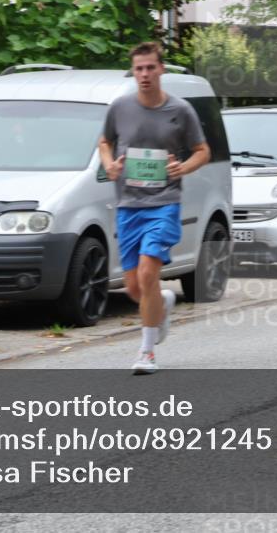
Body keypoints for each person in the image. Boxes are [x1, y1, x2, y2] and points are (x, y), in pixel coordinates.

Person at [98, 42, 210, 374]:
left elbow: (202, 150)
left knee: (148, 272)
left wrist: (183, 168)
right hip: (128, 205)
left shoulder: (181, 110)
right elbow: (105, 142)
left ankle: (146, 352)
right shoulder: (120, 107)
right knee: (135, 287)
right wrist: (110, 166)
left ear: (161, 69)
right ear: (133, 72)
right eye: (139, 69)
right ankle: (161, 304)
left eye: (150, 68)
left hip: (164, 204)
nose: (145, 74)